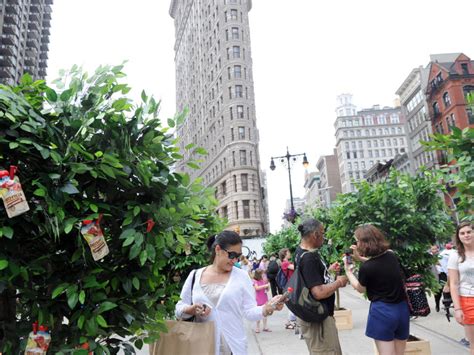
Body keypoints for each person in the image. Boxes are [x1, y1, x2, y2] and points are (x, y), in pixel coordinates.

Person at [175, 231, 284, 355]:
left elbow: (249, 311)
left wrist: (268, 308)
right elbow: (179, 309)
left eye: (238, 256)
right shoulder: (195, 275)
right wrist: (191, 309)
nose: (235, 260)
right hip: (201, 347)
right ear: (218, 249)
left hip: (233, 347)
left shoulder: (242, 277)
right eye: (232, 255)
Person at [344, 224, 409, 355]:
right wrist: (360, 258)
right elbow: (379, 263)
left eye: (357, 241)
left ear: (364, 243)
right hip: (402, 310)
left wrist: (348, 272)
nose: (356, 244)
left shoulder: (366, 268)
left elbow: (360, 289)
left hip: (382, 312)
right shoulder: (391, 255)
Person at [294, 218, 348, 354]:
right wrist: (339, 282)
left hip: (316, 317)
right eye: (323, 233)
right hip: (319, 322)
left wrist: (328, 271)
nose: (324, 237)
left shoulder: (301, 252)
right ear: (315, 235)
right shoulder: (309, 258)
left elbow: (310, 279)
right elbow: (318, 292)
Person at [448, 221, 474, 353]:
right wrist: (457, 309)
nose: (466, 235)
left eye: (469, 232)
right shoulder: (455, 255)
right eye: (462, 233)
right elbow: (453, 284)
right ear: (458, 236)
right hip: (468, 301)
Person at [279, 248, 296, 329]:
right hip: (289, 286)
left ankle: (289, 322)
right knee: (292, 302)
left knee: (292, 302)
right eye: (288, 252)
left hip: (291, 284)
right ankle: (291, 321)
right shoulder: (285, 263)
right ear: (285, 254)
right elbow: (295, 268)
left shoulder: (286, 262)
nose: (290, 253)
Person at [253, 269, 271, 333]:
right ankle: (257, 327)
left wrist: (267, 286)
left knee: (265, 313)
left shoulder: (263, 280)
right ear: (258, 274)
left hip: (264, 298)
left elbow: (267, 290)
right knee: (258, 313)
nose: (263, 275)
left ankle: (265, 327)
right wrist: (264, 286)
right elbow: (257, 288)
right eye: (262, 274)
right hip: (258, 299)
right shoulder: (255, 281)